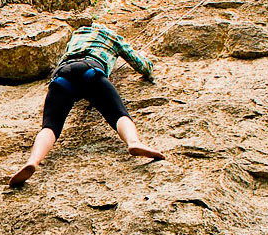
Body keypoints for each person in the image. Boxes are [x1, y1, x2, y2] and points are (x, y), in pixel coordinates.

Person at [10, 23, 164, 187]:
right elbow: (142, 66)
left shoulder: (78, 34)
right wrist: (148, 63)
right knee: (118, 114)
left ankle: (33, 161)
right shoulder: (114, 37)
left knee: (50, 126)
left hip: (62, 76)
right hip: (90, 71)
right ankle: (134, 142)